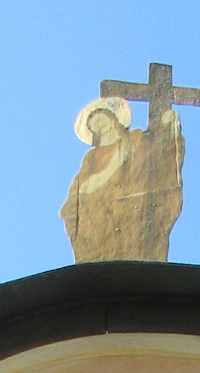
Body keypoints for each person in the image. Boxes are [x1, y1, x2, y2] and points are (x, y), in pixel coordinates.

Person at [60, 96, 184, 262]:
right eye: (94, 125)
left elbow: (158, 153)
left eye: (101, 120)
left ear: (112, 119)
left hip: (136, 211)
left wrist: (168, 128)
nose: (99, 126)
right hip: (101, 219)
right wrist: (111, 168)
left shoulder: (136, 139)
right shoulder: (92, 157)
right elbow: (79, 191)